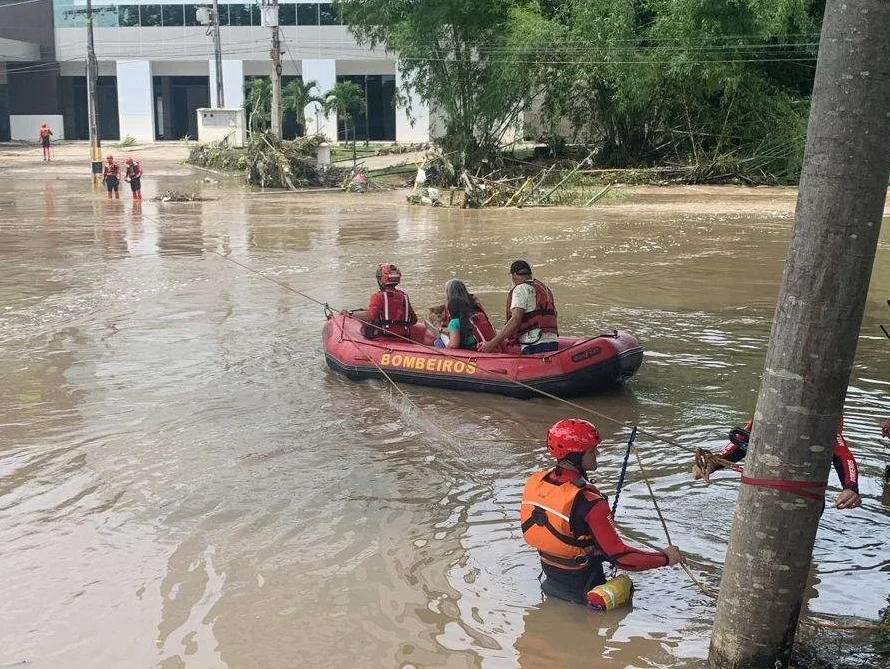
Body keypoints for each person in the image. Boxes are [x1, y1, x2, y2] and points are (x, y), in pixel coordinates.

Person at [520, 418, 682, 606]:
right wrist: (666, 558)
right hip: (588, 595)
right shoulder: (590, 502)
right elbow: (622, 558)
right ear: (575, 455)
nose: (597, 453)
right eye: (591, 450)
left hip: (549, 584)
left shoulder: (537, 483)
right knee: (626, 587)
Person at [693, 418, 861, 509]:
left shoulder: (824, 418)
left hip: (803, 500)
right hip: (763, 494)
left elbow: (842, 454)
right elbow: (742, 440)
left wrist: (851, 487)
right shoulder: (771, 410)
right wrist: (712, 463)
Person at [480, 260, 559, 355]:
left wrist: (492, 344)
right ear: (530, 274)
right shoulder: (545, 288)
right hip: (552, 340)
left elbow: (515, 320)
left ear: (513, 276)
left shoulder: (520, 289)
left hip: (534, 343)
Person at [351, 263, 417, 340]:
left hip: (383, 338)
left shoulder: (378, 296)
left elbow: (371, 316)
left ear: (380, 279)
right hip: (403, 338)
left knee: (365, 329)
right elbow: (413, 320)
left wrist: (351, 314)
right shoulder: (404, 296)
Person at [435, 279, 497, 350]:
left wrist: (445, 347)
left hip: (470, 351)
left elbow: (453, 345)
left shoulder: (454, 322)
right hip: (479, 346)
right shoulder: (477, 314)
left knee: (438, 341)